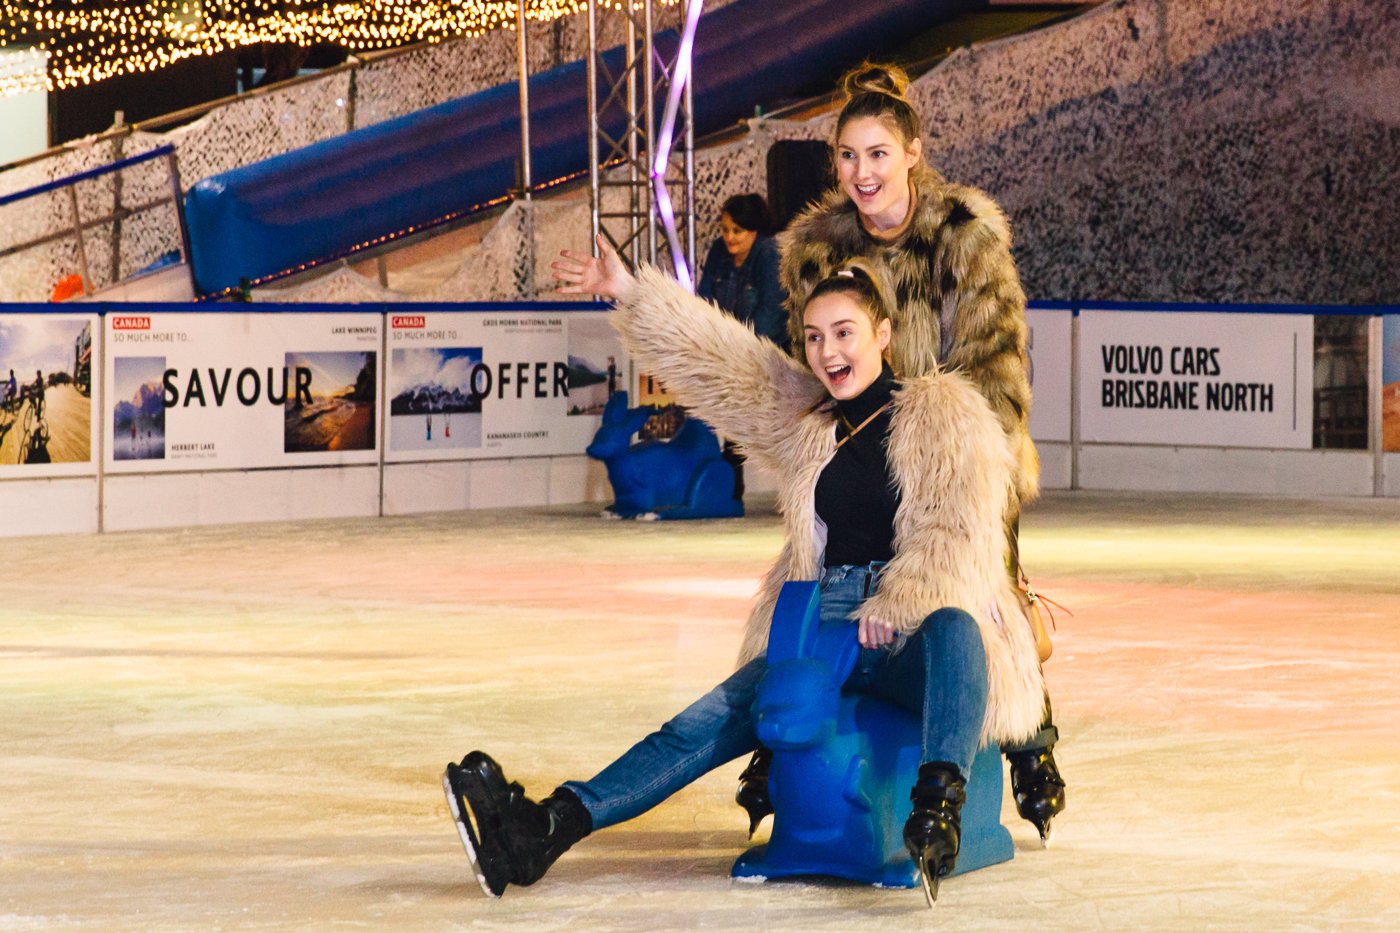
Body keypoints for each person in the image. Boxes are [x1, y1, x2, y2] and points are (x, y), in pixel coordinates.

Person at [441, 242, 1047, 906]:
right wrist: (629, 291)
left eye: (844, 333)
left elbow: (959, 531)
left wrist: (901, 600)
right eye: (814, 337)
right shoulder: (805, 420)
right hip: (824, 625)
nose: (828, 351)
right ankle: (545, 827)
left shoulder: (942, 413)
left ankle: (939, 805)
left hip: (912, 630)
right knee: (697, 725)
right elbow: (723, 365)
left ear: (882, 334)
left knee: (957, 628)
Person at [744, 62, 1066, 844]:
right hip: (860, 449)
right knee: (804, 580)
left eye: (878, 154)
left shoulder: (963, 233)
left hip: (958, 451)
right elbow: (814, 362)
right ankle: (773, 745)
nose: (863, 173)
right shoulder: (815, 249)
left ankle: (1030, 743)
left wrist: (960, 470)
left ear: (912, 151)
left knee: (985, 592)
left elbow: (995, 361)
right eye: (849, 157)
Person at [696, 193, 789, 501]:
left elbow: (771, 313)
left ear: (755, 230)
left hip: (769, 352)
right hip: (727, 350)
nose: (729, 238)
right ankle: (726, 489)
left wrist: (743, 355)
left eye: (737, 231)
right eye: (725, 230)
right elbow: (705, 300)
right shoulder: (719, 254)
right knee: (726, 416)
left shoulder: (769, 253)